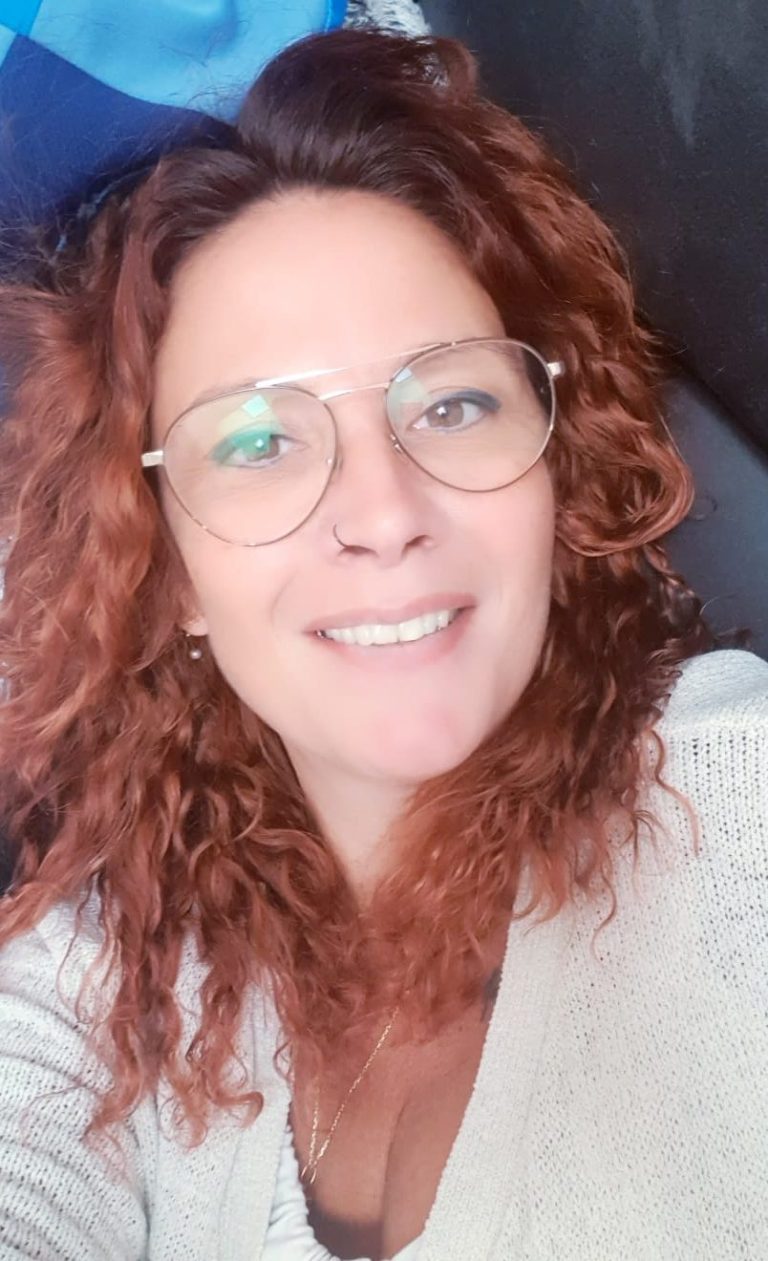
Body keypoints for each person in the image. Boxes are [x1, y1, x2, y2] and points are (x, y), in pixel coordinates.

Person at [0, 25, 765, 1261]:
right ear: (171, 565)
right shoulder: (129, 961)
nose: (384, 511)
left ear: (553, 473)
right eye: (259, 441)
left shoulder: (731, 809)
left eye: (452, 401)